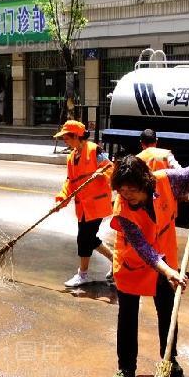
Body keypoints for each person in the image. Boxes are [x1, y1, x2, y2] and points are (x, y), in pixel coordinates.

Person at [107, 155, 189, 377]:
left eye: (132, 190)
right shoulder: (122, 209)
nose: (127, 195)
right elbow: (143, 248)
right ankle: (126, 368)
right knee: (127, 316)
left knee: (168, 312)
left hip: (167, 261)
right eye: (122, 191)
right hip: (132, 265)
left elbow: (188, 172)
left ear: (145, 183)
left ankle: (169, 360)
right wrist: (167, 271)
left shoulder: (163, 181)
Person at [54, 120, 115, 287]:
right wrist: (61, 199)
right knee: (88, 238)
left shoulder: (95, 151)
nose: (65, 140)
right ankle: (115, 260)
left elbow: (111, 169)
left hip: (97, 205)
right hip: (83, 207)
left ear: (76, 136)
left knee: (84, 239)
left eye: (66, 137)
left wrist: (101, 172)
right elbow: (70, 182)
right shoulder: (72, 157)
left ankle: (83, 274)